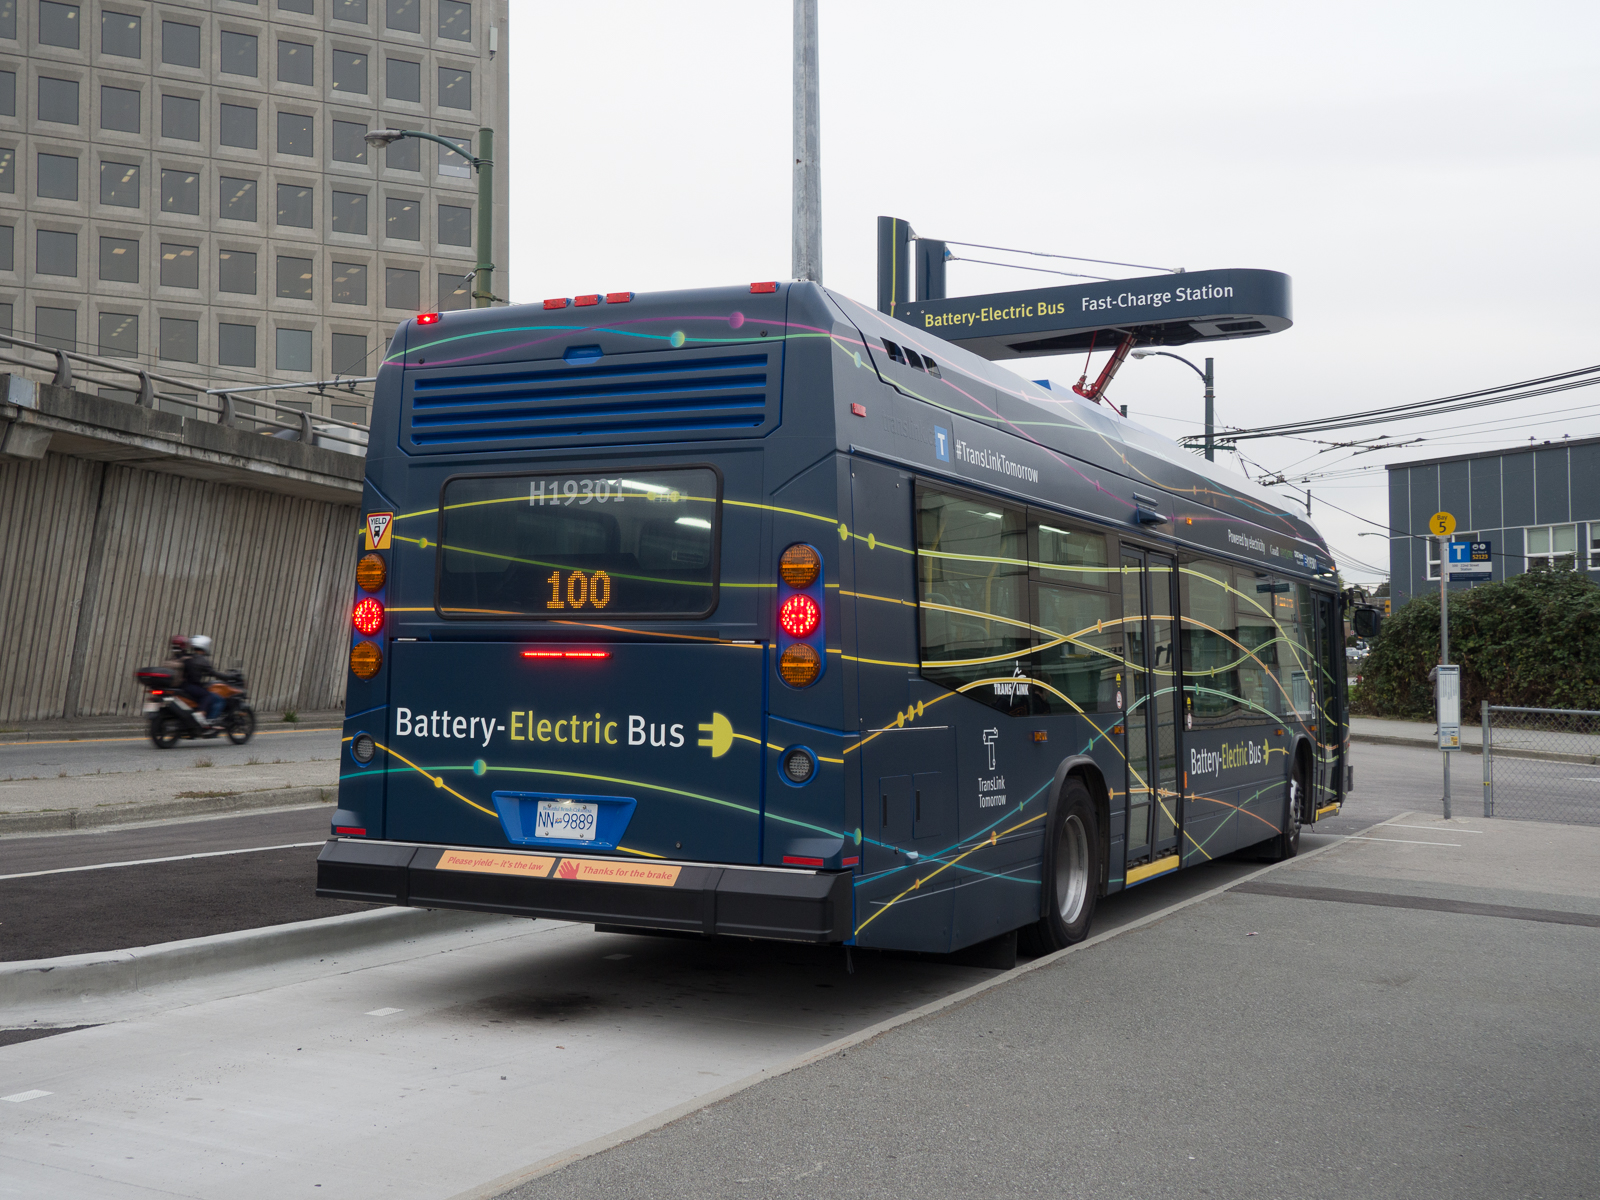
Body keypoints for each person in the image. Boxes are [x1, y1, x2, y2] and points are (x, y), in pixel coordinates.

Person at [182, 635, 224, 723]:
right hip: (191, 686)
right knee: (215, 698)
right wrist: (229, 677)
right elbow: (213, 673)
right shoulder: (201, 660)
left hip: (184, 685)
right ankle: (208, 720)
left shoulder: (188, 657)